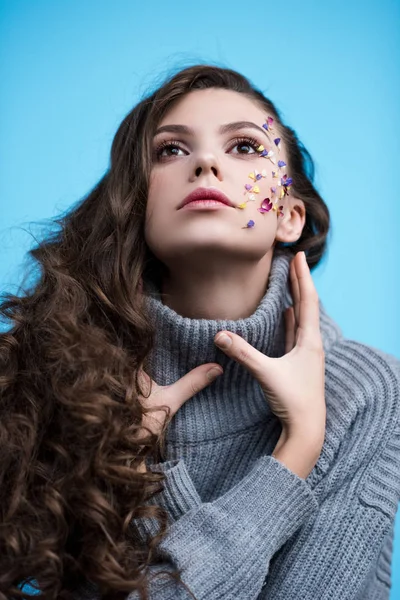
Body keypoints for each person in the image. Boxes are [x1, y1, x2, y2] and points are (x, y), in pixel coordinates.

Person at [0, 64, 399, 600]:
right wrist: (134, 461)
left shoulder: (367, 392)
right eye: (170, 150)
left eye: (245, 147)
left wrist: (308, 437)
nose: (206, 162)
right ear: (138, 204)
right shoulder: (69, 382)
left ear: (290, 217)